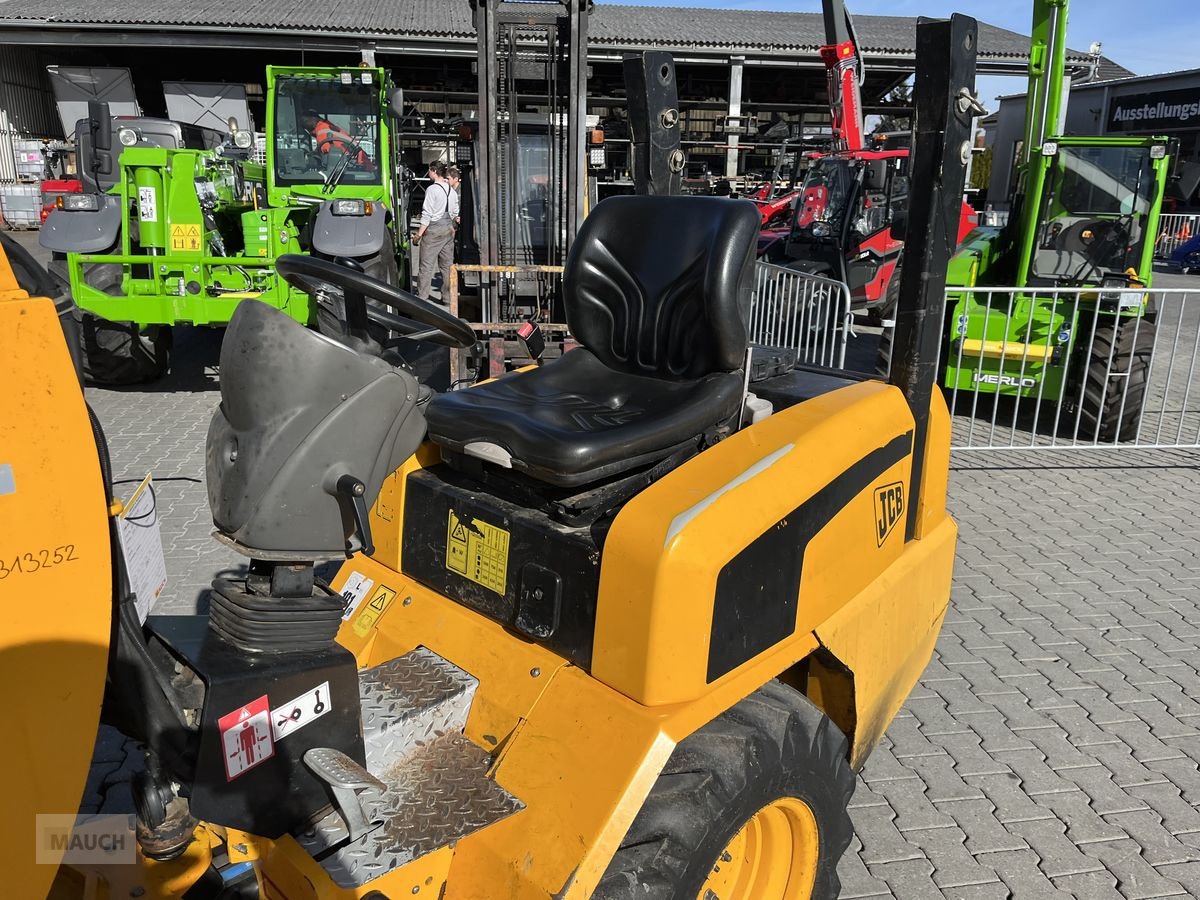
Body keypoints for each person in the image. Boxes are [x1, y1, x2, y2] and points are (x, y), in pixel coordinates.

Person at [414, 161, 455, 302]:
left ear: (433, 171)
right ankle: (448, 298)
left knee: (426, 266)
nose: (428, 174)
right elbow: (455, 212)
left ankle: (422, 297)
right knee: (447, 267)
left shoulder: (432, 189)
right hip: (448, 229)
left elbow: (427, 214)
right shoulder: (451, 190)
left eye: (429, 171)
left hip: (434, 230)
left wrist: (419, 234)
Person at [300, 109, 373, 170]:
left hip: (359, 170)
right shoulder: (327, 128)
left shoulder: (323, 135)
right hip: (362, 166)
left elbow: (331, 163)